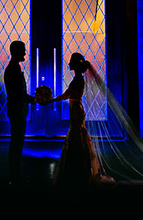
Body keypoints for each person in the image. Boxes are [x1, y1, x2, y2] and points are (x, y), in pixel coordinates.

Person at [47, 52, 102, 188]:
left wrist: (52, 100)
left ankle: (78, 169)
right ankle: (81, 168)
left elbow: (67, 94)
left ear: (76, 64)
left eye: (71, 61)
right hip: (76, 108)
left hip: (76, 109)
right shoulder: (78, 78)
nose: (69, 63)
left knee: (76, 135)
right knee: (77, 135)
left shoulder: (78, 79)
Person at [3, 40, 34, 185]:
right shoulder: (13, 69)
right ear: (16, 52)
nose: (25, 53)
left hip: (17, 110)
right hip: (17, 111)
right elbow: (18, 93)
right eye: (23, 50)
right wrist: (35, 99)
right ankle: (14, 176)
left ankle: (14, 175)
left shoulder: (14, 68)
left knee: (16, 142)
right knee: (16, 143)